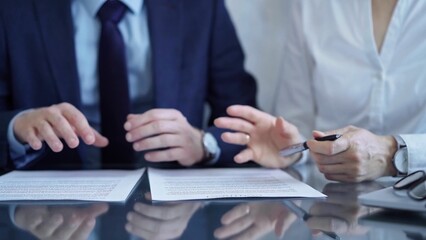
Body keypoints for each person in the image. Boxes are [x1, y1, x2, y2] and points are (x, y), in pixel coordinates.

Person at [0, 0, 257, 170]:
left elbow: (246, 121)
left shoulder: (200, 6)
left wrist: (203, 144)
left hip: (175, 212)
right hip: (48, 212)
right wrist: (16, 128)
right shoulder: (12, 8)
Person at [214, 0, 426, 182]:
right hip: (331, 208)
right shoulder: (313, 5)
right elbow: (298, 124)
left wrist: (392, 153)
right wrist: (294, 150)